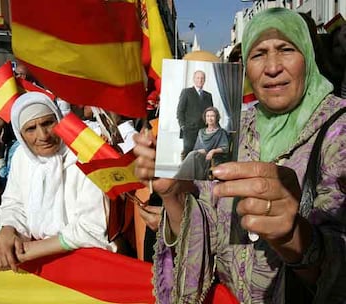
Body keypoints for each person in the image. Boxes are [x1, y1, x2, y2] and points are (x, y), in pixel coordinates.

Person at [134, 8, 346, 303]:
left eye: (285, 49)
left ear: (308, 56)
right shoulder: (236, 128)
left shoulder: (338, 131)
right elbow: (206, 228)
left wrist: (296, 237)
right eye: (259, 54)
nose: (272, 67)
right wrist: (173, 195)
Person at [0, 92, 116, 272]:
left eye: (47, 123)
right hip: (44, 265)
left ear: (59, 119)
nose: (43, 135)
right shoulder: (22, 157)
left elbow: (92, 228)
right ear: (21, 135)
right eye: (31, 129)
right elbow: (14, 202)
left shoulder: (85, 151)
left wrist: (30, 250)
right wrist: (7, 229)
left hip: (87, 263)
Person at [175, 106, 229, 180]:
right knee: (193, 154)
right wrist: (200, 151)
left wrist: (212, 151)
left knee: (192, 156)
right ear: (205, 118)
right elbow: (196, 148)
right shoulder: (201, 132)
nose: (210, 118)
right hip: (198, 156)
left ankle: (178, 178)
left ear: (216, 118)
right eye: (208, 116)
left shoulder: (221, 132)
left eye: (212, 116)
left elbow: (225, 148)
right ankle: (180, 178)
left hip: (211, 159)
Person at [177, 70, 213, 160]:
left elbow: (211, 113)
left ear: (204, 80)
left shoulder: (208, 96)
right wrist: (183, 126)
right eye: (198, 78)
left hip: (203, 131)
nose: (200, 80)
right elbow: (180, 111)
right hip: (189, 130)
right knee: (188, 153)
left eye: (202, 78)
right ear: (194, 79)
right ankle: (184, 172)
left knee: (201, 155)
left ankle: (198, 173)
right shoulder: (186, 92)